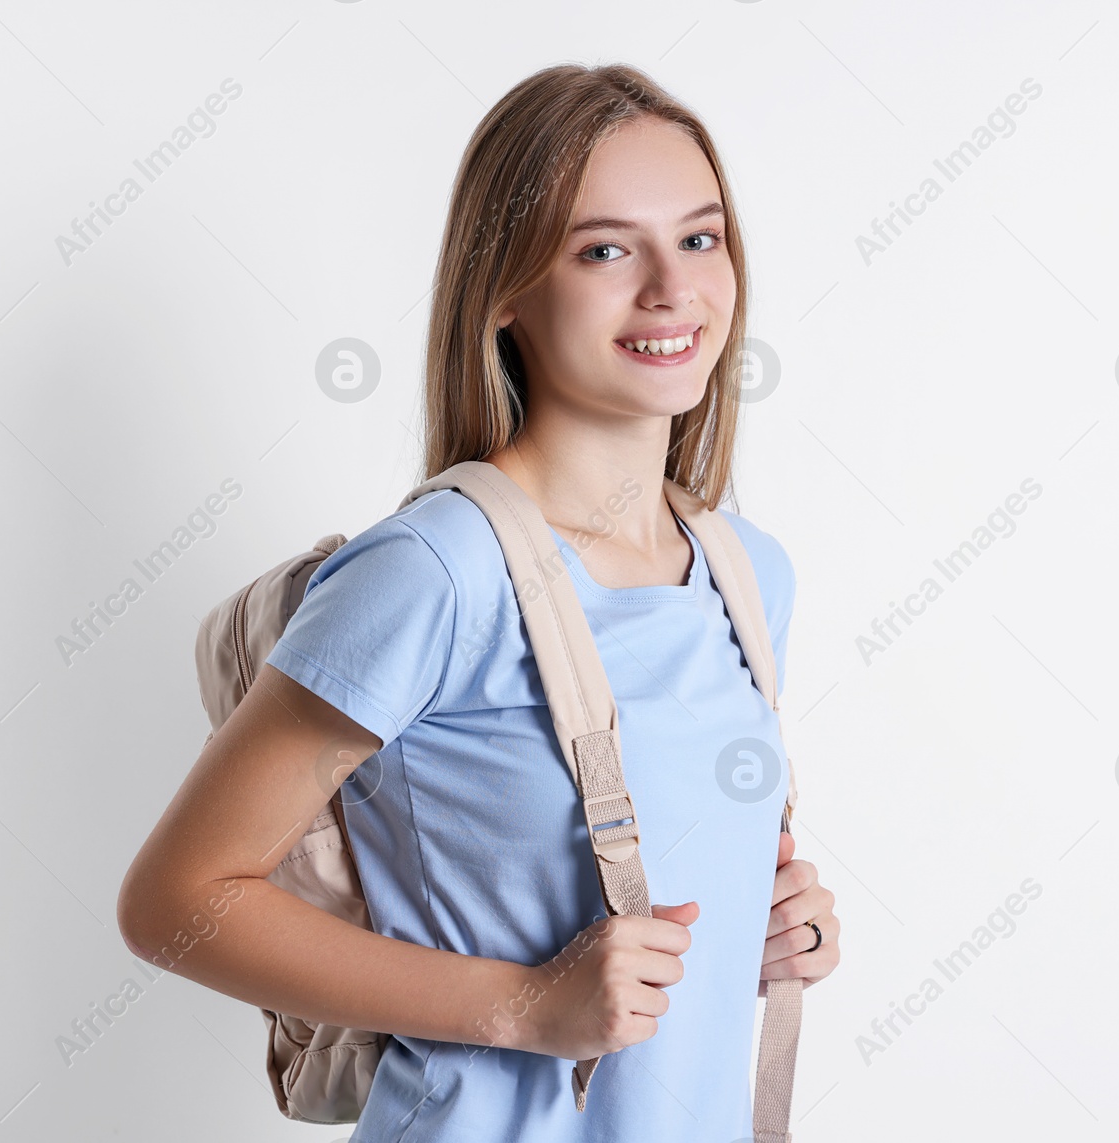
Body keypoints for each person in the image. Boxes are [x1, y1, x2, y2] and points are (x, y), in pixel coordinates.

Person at [118, 61, 839, 1141]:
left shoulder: (746, 573)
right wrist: (523, 1006)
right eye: (604, 250)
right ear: (504, 293)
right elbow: (176, 903)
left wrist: (761, 935)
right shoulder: (437, 570)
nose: (673, 290)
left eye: (698, 238)